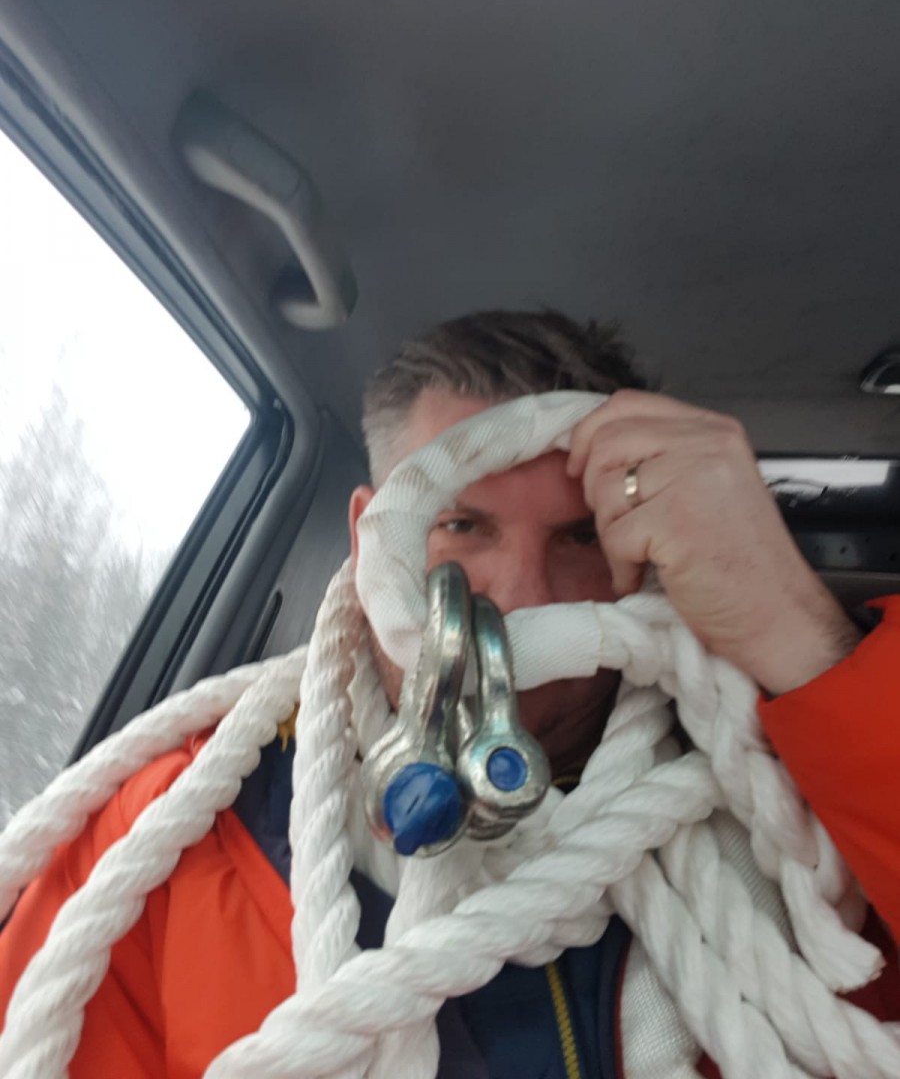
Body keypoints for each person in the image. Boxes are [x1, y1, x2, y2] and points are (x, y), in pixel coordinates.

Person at [1, 309, 899, 1079]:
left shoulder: (801, 803)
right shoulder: (160, 844)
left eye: (580, 538)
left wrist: (797, 634)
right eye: (463, 525)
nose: (525, 598)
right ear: (371, 537)